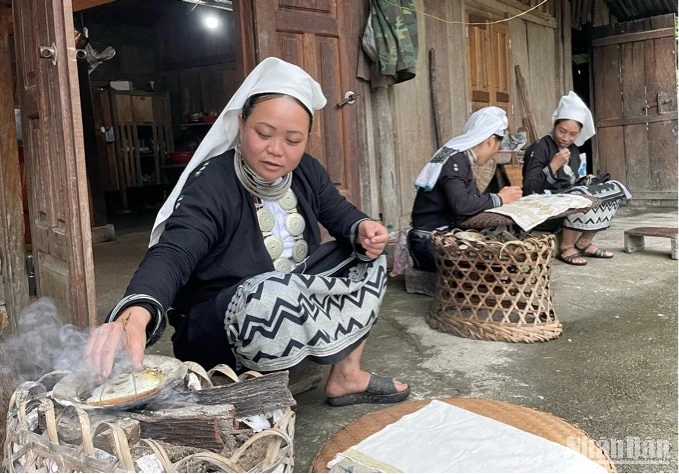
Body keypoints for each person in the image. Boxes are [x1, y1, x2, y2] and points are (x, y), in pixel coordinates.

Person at [84, 57, 409, 407]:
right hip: (220, 325)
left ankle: (346, 375)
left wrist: (362, 227)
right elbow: (175, 251)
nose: (277, 151)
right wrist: (136, 312)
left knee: (367, 256)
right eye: (264, 134)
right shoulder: (213, 183)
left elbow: (338, 211)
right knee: (270, 295)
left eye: (293, 140)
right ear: (241, 123)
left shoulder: (306, 172)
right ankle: (254, 395)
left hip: (288, 293)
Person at [522, 91, 631, 265]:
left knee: (614, 188)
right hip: (544, 207)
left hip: (567, 202)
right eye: (562, 131)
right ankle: (565, 247)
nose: (566, 138)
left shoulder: (573, 150)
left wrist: (587, 181)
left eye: (573, 134)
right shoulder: (539, 148)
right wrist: (552, 167)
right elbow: (529, 190)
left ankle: (583, 242)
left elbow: (571, 182)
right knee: (578, 194)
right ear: (554, 124)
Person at [408, 106, 523, 273]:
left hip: (431, 240)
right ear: (490, 140)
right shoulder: (455, 160)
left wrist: (499, 198)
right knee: (498, 267)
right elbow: (461, 204)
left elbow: (472, 198)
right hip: (429, 245)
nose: (495, 152)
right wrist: (499, 198)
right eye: (497, 146)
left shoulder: (456, 157)